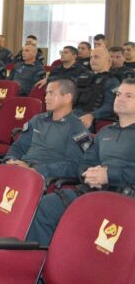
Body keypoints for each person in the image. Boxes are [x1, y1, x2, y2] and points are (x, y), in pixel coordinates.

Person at [27, 79, 135, 246]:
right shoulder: (105, 131)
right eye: (119, 94)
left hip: (126, 195)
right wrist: (89, 174)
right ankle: (39, 263)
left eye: (129, 96)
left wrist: (109, 175)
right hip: (94, 189)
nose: (120, 99)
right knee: (48, 205)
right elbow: (85, 162)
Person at [0, 78, 85, 207]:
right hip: (20, 165)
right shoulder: (37, 120)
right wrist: (11, 159)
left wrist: (35, 169)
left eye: (51, 93)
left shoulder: (76, 128)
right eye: (46, 93)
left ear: (67, 97)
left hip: (41, 173)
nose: (46, 97)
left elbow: (74, 166)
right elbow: (19, 146)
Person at [73, 46, 119, 130]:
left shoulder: (112, 81)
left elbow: (110, 107)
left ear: (108, 61)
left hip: (93, 118)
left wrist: (92, 115)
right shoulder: (83, 76)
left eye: (96, 57)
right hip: (74, 114)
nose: (92, 60)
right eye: (91, 57)